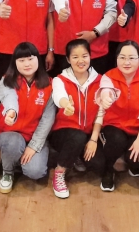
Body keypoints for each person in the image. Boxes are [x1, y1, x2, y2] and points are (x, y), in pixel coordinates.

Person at [0, 42, 56, 193]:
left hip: (33, 135)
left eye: (30, 59)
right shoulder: (6, 81)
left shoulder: (49, 84)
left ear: (38, 59)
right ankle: (8, 171)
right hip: (9, 134)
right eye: (21, 60)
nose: (27, 64)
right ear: (14, 63)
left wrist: (33, 146)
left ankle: (14, 159)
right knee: (14, 143)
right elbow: (9, 98)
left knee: (36, 171)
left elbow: (48, 118)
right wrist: (12, 112)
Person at [96, 41, 139, 192]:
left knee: (137, 160)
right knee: (116, 141)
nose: (126, 62)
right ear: (116, 58)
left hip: (138, 128)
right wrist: (106, 97)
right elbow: (106, 90)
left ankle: (128, 160)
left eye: (131, 58)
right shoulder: (108, 76)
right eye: (122, 57)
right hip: (114, 126)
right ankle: (108, 170)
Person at [49, 39, 105, 198]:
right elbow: (59, 96)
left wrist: (93, 139)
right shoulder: (60, 79)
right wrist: (66, 104)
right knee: (77, 137)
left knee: (99, 164)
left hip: (88, 134)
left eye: (84, 56)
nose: (81, 61)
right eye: (75, 57)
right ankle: (60, 172)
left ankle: (75, 155)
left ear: (90, 56)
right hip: (63, 133)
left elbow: (101, 113)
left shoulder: (101, 80)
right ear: (68, 59)